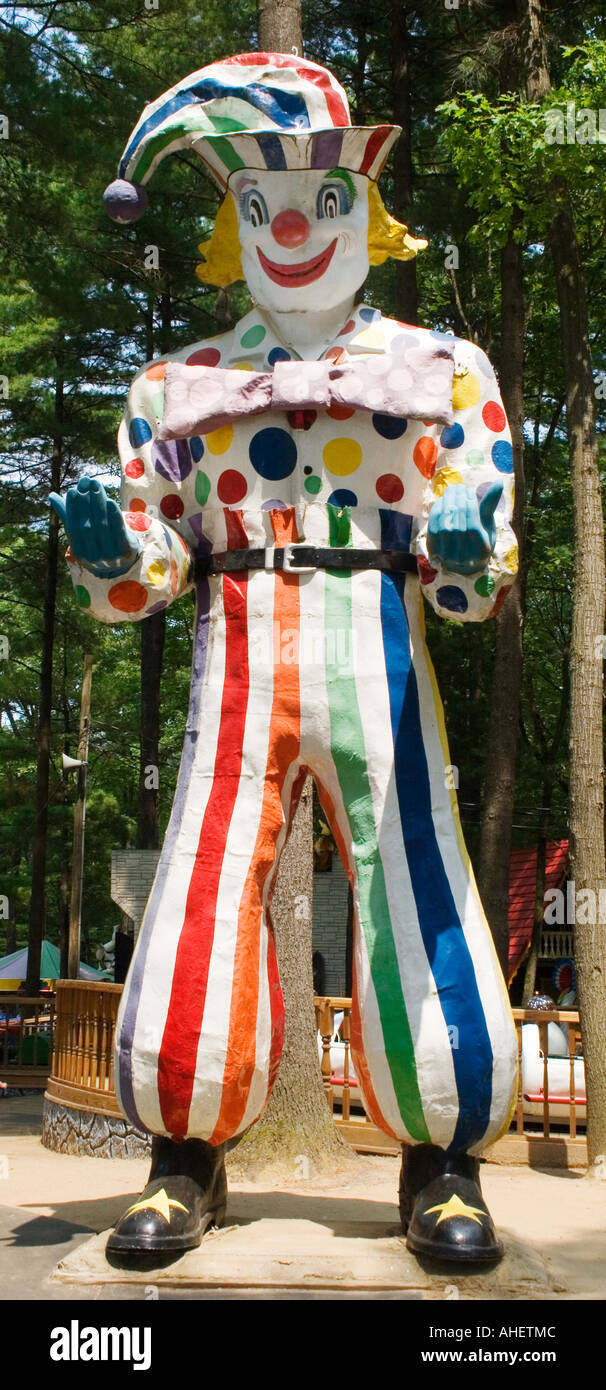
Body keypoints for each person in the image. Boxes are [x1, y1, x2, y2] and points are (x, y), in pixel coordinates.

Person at [51, 52, 519, 1263]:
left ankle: (444, 1165)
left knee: (414, 875)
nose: (292, 230)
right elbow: (145, 577)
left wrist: (463, 548)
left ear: (366, 209)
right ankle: (184, 1160)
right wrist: (113, 550)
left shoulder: (445, 375)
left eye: (316, 202)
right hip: (237, 644)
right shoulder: (176, 388)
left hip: (381, 647)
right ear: (232, 224)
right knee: (205, 876)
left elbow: (473, 575)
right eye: (261, 206)